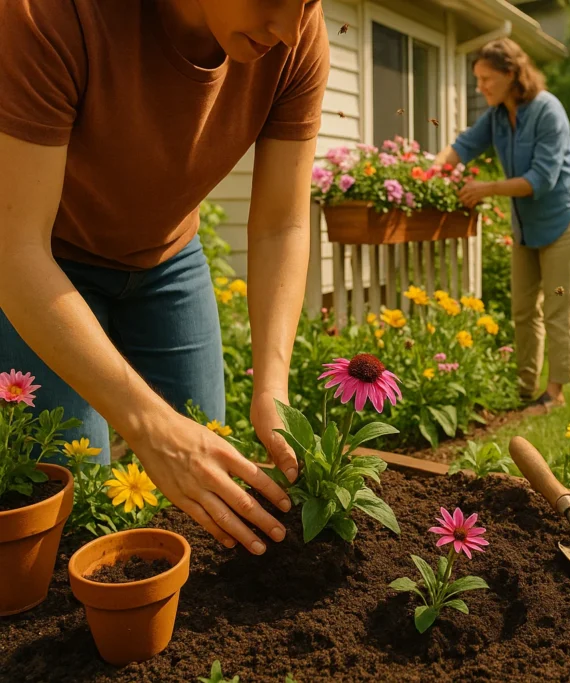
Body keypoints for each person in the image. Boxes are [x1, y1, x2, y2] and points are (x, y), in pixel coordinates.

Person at [0, 0, 330, 554]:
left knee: (205, 491)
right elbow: (14, 249)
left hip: (169, 258)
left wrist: (272, 386)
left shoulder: (294, 38)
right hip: (45, 265)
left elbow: (282, 223)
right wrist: (150, 428)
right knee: (69, 507)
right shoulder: (48, 13)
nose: (290, 31)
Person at [431, 38, 570, 414]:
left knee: (557, 307)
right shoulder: (498, 116)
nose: (480, 87)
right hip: (527, 226)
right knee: (523, 310)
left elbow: (541, 179)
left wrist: (486, 188)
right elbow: (463, 146)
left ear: (510, 74)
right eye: (477, 79)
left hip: (564, 220)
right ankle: (524, 389)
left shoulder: (548, 111)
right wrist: (429, 171)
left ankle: (555, 392)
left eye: (486, 78)